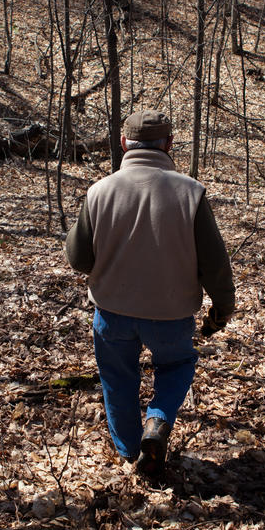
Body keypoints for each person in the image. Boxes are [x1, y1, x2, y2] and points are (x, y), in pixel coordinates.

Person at [65, 110, 235, 480]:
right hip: (171, 314)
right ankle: (156, 423)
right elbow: (215, 262)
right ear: (169, 144)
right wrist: (223, 306)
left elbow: (79, 260)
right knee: (176, 366)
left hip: (112, 312)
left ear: (124, 143)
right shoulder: (190, 191)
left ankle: (130, 454)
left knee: (117, 377)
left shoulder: (99, 191)